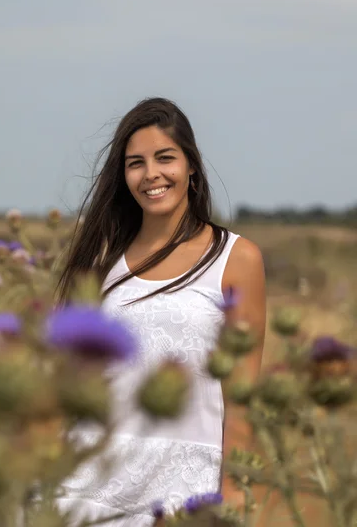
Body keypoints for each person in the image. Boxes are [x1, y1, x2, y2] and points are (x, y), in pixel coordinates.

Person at [56, 97, 266, 526]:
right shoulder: (100, 259)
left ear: (191, 165)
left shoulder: (236, 259)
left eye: (164, 158)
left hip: (183, 490)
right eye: (136, 163)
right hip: (90, 481)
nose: (151, 174)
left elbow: (241, 397)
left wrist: (240, 493)